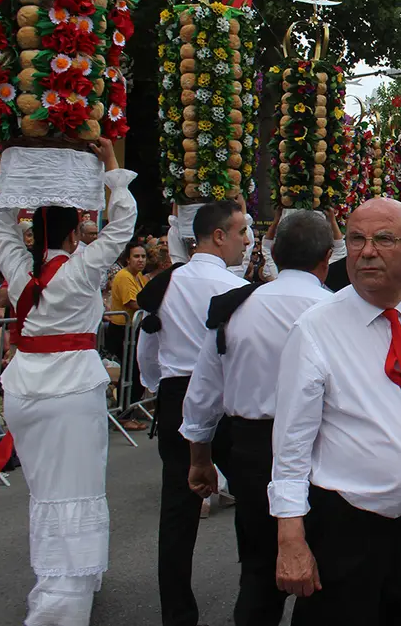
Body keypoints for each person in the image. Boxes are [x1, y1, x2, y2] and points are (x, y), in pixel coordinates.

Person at [270, 198, 401, 625]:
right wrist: (290, 535)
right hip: (348, 535)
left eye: (384, 239)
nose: (367, 251)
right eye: (356, 239)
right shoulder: (316, 328)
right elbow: (291, 443)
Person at [0, 139, 135, 626]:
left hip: (24, 391)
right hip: (71, 388)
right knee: (75, 489)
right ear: (76, 233)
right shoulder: (82, 268)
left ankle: (67, 579)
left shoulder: (17, 266)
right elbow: (123, 229)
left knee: (47, 491)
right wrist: (113, 168)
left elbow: (0, 225)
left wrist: (16, 176)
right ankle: (62, 598)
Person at [180, 211, 334, 626]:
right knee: (328, 570)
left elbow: (203, 394)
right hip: (325, 451)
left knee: (259, 569)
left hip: (252, 451)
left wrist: (200, 458)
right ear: (326, 258)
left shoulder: (238, 307)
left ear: (274, 253)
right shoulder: (339, 311)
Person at [136, 199, 251, 626]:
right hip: (224, 395)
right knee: (251, 494)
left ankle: (177, 614)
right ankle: (253, 598)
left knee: (177, 509)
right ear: (218, 236)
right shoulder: (231, 288)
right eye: (241, 232)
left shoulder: (166, 283)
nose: (245, 242)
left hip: (175, 394)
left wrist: (157, 387)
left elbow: (147, 346)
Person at [107, 242, 149, 429]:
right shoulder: (124, 276)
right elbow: (133, 303)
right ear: (127, 259)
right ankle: (124, 415)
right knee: (130, 373)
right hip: (122, 330)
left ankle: (129, 409)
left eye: (143, 257)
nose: (140, 260)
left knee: (136, 371)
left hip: (133, 330)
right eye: (136, 256)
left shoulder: (139, 277)